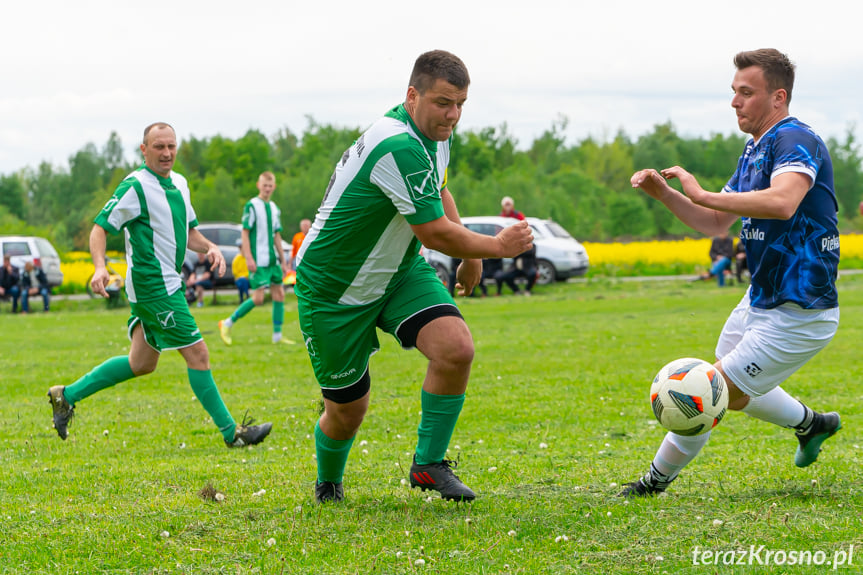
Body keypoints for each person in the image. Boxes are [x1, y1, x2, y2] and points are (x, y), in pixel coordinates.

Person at [295, 50, 533, 504]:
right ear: (412, 95)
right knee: (348, 412)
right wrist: (495, 246)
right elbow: (433, 232)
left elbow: (439, 187)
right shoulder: (396, 143)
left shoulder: (434, 134)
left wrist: (472, 256)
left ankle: (428, 465)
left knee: (456, 348)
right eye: (444, 103)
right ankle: (328, 483)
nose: (453, 115)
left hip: (398, 272)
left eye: (461, 103)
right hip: (333, 289)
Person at [623, 49, 841, 497]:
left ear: (777, 97)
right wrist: (665, 194)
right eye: (734, 92)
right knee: (729, 393)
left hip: (800, 311)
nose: (735, 102)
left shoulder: (794, 140)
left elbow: (782, 201)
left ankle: (652, 483)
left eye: (746, 92)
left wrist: (702, 193)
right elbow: (715, 222)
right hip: (759, 299)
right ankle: (812, 425)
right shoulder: (755, 148)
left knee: (705, 391)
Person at [46, 122, 272, 448]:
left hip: (169, 283)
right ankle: (232, 434)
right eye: (158, 147)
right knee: (199, 354)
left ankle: (66, 396)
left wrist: (209, 247)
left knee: (141, 364)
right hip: (155, 287)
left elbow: (189, 232)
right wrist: (99, 267)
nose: (166, 153)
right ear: (144, 150)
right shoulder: (134, 186)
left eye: (171, 146)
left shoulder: (180, 183)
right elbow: (99, 227)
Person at [218, 172, 291, 345]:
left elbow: (277, 236)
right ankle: (227, 323)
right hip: (258, 260)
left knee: (279, 294)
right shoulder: (252, 205)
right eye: (264, 185)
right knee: (258, 298)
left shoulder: (274, 208)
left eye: (270, 185)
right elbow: (245, 232)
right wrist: (249, 258)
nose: (267, 188)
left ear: (274, 187)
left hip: (272, 261)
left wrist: (283, 261)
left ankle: (277, 337)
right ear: (259, 185)